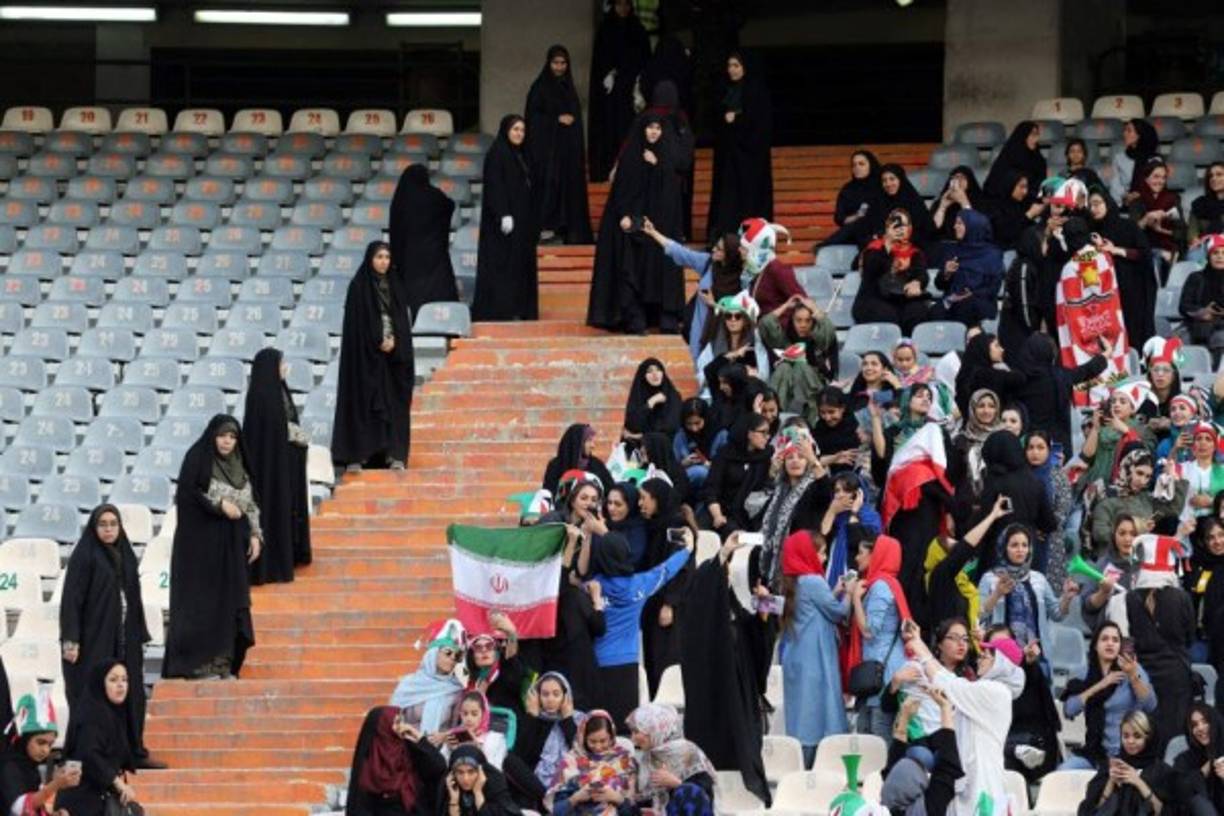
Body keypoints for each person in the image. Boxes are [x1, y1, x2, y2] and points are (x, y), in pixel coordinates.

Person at [162, 414, 261, 679]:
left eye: (232, 437)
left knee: (230, 604)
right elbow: (187, 495)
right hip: (200, 551)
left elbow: (251, 505)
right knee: (203, 605)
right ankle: (198, 664)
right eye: (222, 435)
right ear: (212, 436)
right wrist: (218, 506)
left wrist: (255, 535)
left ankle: (224, 663)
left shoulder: (241, 465)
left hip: (233, 549)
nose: (227, 442)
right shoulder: (198, 459)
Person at [60, 504, 157, 768]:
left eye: (113, 524)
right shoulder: (85, 555)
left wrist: (140, 633)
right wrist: (71, 640)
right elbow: (72, 600)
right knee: (96, 692)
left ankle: (131, 752)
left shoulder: (126, 554)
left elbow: (134, 598)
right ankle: (91, 754)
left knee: (128, 691)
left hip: (126, 638)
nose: (109, 529)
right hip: (95, 638)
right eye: (103, 524)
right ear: (94, 527)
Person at [905, 628, 1028, 816]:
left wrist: (919, 647)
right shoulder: (985, 689)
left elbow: (949, 683)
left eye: (986, 655)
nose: (979, 658)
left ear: (1001, 663)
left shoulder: (996, 691)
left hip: (982, 781)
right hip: (969, 779)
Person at [587, 117, 685, 334]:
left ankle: (663, 316)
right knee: (633, 269)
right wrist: (626, 215)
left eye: (658, 128)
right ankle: (634, 318)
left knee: (660, 268)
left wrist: (657, 166)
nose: (654, 132)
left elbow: (671, 192)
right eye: (650, 127)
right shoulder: (632, 155)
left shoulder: (666, 156)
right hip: (636, 224)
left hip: (661, 225)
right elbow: (622, 190)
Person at [588, 528, 692, 728]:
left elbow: (574, 577)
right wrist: (687, 549)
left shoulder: (593, 586)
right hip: (627, 665)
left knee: (598, 732)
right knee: (624, 731)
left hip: (597, 664)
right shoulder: (640, 584)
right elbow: (666, 570)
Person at [332, 240, 414, 471]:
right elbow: (355, 327)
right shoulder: (358, 286)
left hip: (392, 358)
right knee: (363, 402)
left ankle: (393, 455)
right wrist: (376, 339)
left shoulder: (396, 285)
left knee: (392, 404)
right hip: (365, 357)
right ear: (370, 259)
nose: (384, 262)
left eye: (387, 257)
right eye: (379, 257)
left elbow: (401, 321)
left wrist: (394, 341)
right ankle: (359, 455)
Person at [779, 530, 853, 765]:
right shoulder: (813, 580)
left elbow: (814, 607)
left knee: (802, 714)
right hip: (815, 657)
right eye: (820, 553)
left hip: (797, 655)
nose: (822, 559)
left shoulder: (793, 580)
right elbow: (838, 612)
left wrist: (834, 593)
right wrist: (849, 594)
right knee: (818, 712)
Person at [243, 347, 310, 583]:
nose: (284, 368)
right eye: (281, 364)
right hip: (270, 468)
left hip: (287, 463)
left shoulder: (279, 391)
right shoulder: (262, 396)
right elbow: (271, 432)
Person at [1060, 621, 1158, 770]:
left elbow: (1150, 704)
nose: (1110, 643)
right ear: (1095, 645)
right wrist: (1100, 685)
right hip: (1093, 752)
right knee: (1062, 773)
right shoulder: (1084, 673)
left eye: (1115, 640)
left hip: (1125, 752)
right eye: (1104, 639)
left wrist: (1132, 675)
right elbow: (1069, 710)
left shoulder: (1132, 668)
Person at [640, 220, 744, 360]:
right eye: (716, 246)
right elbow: (680, 252)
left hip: (725, 336)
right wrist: (653, 233)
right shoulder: (709, 263)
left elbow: (744, 312)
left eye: (719, 249)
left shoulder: (742, 279)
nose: (713, 249)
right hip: (700, 329)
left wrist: (714, 304)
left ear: (730, 254)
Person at [473, 115, 538, 322]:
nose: (519, 134)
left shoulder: (521, 154)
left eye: (522, 130)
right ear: (506, 131)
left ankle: (519, 308)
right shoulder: (497, 153)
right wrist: (503, 214)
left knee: (519, 264)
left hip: (522, 222)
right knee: (504, 265)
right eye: (515, 129)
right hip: (503, 224)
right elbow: (495, 186)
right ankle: (502, 309)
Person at [526, 44, 592, 245]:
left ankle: (567, 230)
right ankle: (546, 229)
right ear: (549, 63)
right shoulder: (539, 88)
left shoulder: (569, 88)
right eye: (555, 63)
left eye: (563, 63)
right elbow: (532, 118)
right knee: (548, 189)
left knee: (569, 190)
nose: (559, 67)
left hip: (567, 153)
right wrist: (556, 119)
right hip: (547, 154)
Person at [848, 535, 910, 740]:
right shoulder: (886, 584)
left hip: (882, 675)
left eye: (861, 553)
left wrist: (855, 598)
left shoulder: (881, 587)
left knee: (878, 741)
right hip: (879, 673)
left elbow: (869, 630)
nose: (857, 558)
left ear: (877, 555)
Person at [978, 524, 1075, 656]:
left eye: (1025, 545)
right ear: (1003, 548)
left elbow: (1057, 614)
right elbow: (978, 616)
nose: (1020, 550)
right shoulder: (989, 578)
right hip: (1001, 655)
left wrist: (1067, 598)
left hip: (1035, 654)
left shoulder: (1039, 579)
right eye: (1014, 545)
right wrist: (997, 594)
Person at [57, 660, 139, 816]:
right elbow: (89, 755)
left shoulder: (112, 714)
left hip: (99, 796)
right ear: (99, 684)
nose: (121, 685)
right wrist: (118, 784)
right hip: (82, 800)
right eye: (113, 680)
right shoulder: (92, 716)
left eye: (125, 679)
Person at [707, 50, 773, 239]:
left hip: (751, 157)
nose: (732, 70)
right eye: (729, 66)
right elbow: (715, 120)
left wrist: (737, 119)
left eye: (736, 66)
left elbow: (760, 123)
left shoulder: (756, 91)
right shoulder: (724, 89)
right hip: (729, 155)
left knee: (749, 197)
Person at [1012, 332, 1108, 454]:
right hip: (1057, 446)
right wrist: (1106, 354)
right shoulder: (1059, 376)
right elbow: (1086, 371)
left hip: (1027, 446)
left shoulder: (1016, 380)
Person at [587, 0, 650, 183]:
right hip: (610, 96)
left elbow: (644, 60)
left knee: (630, 130)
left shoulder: (638, 30)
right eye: (619, 4)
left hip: (632, 93)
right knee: (610, 129)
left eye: (626, 4)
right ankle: (608, 169)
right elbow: (600, 62)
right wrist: (610, 73)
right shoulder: (606, 30)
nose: (623, 9)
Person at [1086, 187, 1157, 348]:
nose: (1093, 209)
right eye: (1090, 205)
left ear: (1108, 204)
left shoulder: (1128, 226)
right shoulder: (1089, 231)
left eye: (1097, 204)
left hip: (1130, 292)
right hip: (1101, 294)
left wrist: (1115, 250)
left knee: (1133, 338)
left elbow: (1144, 254)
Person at [346, 706, 448, 816]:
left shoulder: (409, 749)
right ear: (383, 728)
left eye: (402, 722)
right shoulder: (368, 763)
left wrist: (419, 738)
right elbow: (359, 806)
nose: (401, 728)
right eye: (397, 723)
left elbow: (439, 766)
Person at [879, 689, 963, 816]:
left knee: (919, 753)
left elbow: (891, 770)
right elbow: (948, 768)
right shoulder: (929, 809)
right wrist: (945, 708)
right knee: (921, 754)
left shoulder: (884, 808)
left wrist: (904, 717)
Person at [389, 163, 458, 314]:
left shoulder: (401, 199)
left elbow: (395, 231)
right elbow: (450, 205)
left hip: (410, 258)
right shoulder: (434, 195)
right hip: (435, 255)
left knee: (415, 298)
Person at [851, 208, 932, 335]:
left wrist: (917, 282)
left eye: (903, 225)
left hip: (902, 299)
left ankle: (908, 350)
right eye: (894, 224)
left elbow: (922, 273)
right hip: (873, 297)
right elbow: (871, 270)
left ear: (910, 228)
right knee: (888, 316)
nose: (899, 229)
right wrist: (888, 242)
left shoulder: (914, 252)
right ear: (887, 227)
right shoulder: (874, 247)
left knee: (918, 312)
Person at [1089, 447, 1186, 553]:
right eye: (1139, 473)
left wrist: (1175, 479)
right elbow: (1099, 533)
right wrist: (1137, 528)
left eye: (1148, 476)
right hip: (1112, 561)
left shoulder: (1145, 498)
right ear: (1128, 467)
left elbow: (1173, 509)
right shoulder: (1107, 494)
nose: (1142, 480)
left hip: (1140, 559)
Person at [626, 703, 717, 816]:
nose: (632, 738)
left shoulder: (688, 751)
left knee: (687, 791)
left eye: (636, 732)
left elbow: (703, 795)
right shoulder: (647, 759)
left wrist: (676, 783)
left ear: (653, 729)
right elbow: (645, 801)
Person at [0, 690, 81, 816]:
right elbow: (20, 807)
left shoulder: (30, 767)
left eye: (50, 745)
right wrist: (55, 785)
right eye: (41, 742)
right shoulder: (9, 767)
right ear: (25, 739)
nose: (46, 750)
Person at [1078, 711, 1175, 816]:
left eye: (1137, 736)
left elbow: (1165, 812)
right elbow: (1092, 811)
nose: (1130, 741)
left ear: (1148, 738)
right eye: (1126, 736)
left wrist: (1139, 782)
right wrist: (1110, 782)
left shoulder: (1162, 772)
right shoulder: (1111, 765)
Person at [543, 711, 637, 816]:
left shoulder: (624, 761)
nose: (598, 746)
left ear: (611, 738)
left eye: (603, 741)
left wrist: (616, 798)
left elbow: (634, 812)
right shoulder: (570, 762)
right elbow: (555, 811)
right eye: (592, 741)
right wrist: (577, 797)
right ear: (583, 737)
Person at [390, 619, 467, 734]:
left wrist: (443, 737)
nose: (452, 658)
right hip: (407, 745)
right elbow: (391, 719)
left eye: (456, 656)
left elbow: (455, 728)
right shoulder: (408, 684)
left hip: (438, 749)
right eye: (448, 653)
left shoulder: (455, 689)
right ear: (433, 653)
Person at [701, 414, 773, 537]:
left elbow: (764, 487)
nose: (767, 437)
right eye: (763, 433)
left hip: (753, 512)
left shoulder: (765, 455)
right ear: (749, 434)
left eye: (768, 433)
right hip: (725, 511)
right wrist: (718, 515)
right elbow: (711, 489)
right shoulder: (725, 455)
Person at [516, 673, 585, 797]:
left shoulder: (580, 719)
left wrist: (567, 719)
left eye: (556, 694)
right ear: (537, 697)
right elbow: (523, 757)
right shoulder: (533, 719)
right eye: (545, 694)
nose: (550, 699)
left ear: (566, 696)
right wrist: (532, 717)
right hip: (538, 785)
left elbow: (581, 754)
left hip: (572, 780)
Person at [933, 209, 1005, 327]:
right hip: (953, 300)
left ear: (973, 226)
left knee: (966, 307)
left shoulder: (992, 255)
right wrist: (946, 273)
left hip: (981, 301)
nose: (955, 226)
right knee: (935, 311)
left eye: (960, 223)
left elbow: (993, 288)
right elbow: (939, 285)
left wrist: (971, 294)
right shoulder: (953, 250)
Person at [953, 333, 1026, 419]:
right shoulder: (989, 376)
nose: (1002, 350)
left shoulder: (964, 375)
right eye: (997, 346)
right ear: (984, 349)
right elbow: (1020, 378)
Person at [435, 745, 521, 816]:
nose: (466, 779)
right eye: (460, 772)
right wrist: (454, 800)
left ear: (480, 771)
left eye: (471, 772)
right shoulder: (449, 788)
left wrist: (478, 794)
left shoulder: (494, 786)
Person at [1178, 234, 1224, 365]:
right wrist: (1202, 313)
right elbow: (1183, 306)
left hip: (1221, 326)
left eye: (1223, 253)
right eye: (1215, 253)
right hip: (1195, 323)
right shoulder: (1195, 277)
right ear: (1209, 256)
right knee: (1177, 341)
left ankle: (1215, 379)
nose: (1220, 257)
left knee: (1221, 339)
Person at [1131, 158, 1185, 269]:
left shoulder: (1173, 199)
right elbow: (1131, 233)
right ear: (1146, 179)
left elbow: (1182, 232)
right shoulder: (1137, 201)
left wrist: (1161, 230)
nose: (1160, 181)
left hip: (1170, 248)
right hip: (1146, 248)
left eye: (1163, 177)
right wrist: (1146, 219)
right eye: (1156, 176)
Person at [1172, 702, 1224, 815]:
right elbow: (1177, 794)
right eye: (1194, 725)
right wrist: (1202, 773)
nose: (1200, 728)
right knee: (1197, 799)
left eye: (1205, 721)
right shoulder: (1183, 760)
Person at [622, 358, 683, 447]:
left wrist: (639, 436)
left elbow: (670, 428)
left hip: (666, 449)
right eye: (649, 371)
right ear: (643, 376)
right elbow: (633, 425)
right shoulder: (638, 397)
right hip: (641, 450)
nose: (655, 374)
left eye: (658, 370)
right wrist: (650, 403)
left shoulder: (672, 396)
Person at [541, 424, 614, 498]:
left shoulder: (596, 465)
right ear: (578, 442)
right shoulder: (556, 466)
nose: (593, 445)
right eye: (589, 441)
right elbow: (547, 495)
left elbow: (610, 491)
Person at [671, 399, 726, 492]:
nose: (694, 429)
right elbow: (672, 466)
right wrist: (683, 464)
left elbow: (727, 465)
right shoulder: (681, 435)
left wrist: (711, 465)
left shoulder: (720, 434)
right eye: (689, 424)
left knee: (700, 472)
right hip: (687, 487)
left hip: (715, 485)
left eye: (697, 423)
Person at [983, 122, 1045, 202]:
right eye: (1032, 135)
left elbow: (1042, 184)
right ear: (1023, 135)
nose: (1036, 139)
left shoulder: (1038, 159)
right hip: (1005, 202)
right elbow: (995, 187)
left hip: (1031, 200)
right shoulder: (1009, 157)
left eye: (1037, 135)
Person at [985, 171, 1046, 250]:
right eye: (1021, 187)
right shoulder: (996, 207)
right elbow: (1007, 233)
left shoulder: (1023, 203)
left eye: (1026, 187)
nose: (1025, 191)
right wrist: (1029, 215)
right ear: (1010, 186)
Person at [829, 149, 881, 241]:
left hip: (879, 232)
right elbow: (840, 218)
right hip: (853, 233)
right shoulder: (848, 189)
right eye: (854, 165)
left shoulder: (882, 186)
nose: (857, 167)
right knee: (857, 225)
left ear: (871, 165)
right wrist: (857, 216)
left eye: (861, 164)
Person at [1109, 118, 1160, 206]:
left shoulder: (1154, 159)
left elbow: (1158, 185)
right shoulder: (1119, 158)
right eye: (1125, 130)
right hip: (1124, 201)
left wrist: (1140, 195)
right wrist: (1125, 196)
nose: (1124, 134)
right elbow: (1115, 183)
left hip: (1147, 202)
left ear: (1139, 135)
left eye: (1129, 131)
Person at [929, 164, 984, 243]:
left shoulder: (981, 203)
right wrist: (942, 207)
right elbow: (932, 230)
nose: (958, 180)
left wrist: (964, 202)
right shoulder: (940, 203)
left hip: (971, 245)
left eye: (963, 177)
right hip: (945, 246)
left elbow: (978, 231)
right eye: (955, 177)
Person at [1188, 162, 1224, 252]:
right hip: (1204, 248)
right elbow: (1192, 233)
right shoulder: (1199, 204)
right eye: (1211, 176)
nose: (1214, 178)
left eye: (1219, 174)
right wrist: (1194, 240)